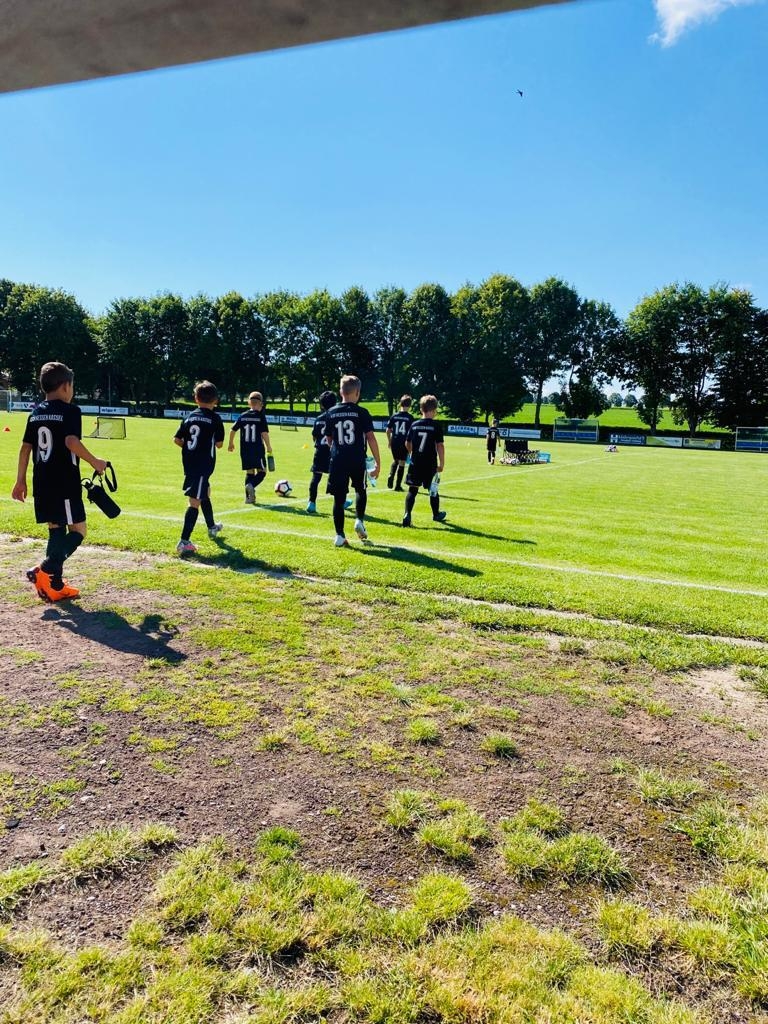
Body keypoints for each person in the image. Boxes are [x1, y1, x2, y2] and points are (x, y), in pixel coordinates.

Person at [11, 360, 108, 601]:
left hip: (42, 482)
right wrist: (95, 461)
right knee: (79, 530)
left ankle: (54, 586)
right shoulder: (71, 411)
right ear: (66, 386)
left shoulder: (35, 413)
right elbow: (71, 442)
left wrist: (20, 481)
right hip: (64, 482)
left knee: (56, 529)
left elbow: (25, 449)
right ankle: (43, 570)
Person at [324, 375, 381, 546]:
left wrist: (336, 451)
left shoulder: (331, 412)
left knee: (338, 498)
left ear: (341, 391)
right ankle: (359, 520)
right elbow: (371, 438)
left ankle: (339, 535)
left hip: (338, 460)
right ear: (357, 392)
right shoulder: (362, 412)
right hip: (357, 459)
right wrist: (377, 462)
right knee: (360, 490)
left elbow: (328, 438)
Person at [174, 381, 225, 555]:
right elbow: (219, 444)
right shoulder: (215, 418)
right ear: (215, 400)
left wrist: (191, 449)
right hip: (203, 465)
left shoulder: (189, 417)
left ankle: (212, 526)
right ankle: (184, 541)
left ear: (196, 398)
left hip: (190, 463)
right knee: (195, 501)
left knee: (205, 493)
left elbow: (177, 440)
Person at [402, 394, 446, 527]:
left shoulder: (414, 425)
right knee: (433, 489)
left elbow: (407, 442)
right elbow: (440, 445)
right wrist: (442, 463)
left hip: (416, 462)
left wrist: (412, 453)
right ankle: (436, 514)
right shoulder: (436, 426)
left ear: (421, 409)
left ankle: (407, 514)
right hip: (430, 463)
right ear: (434, 410)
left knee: (412, 490)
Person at [306, 389, 351, 514]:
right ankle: (343, 501)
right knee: (340, 478)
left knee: (316, 478)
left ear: (321, 405)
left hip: (320, 452)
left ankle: (311, 502)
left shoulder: (318, 419)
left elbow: (314, 436)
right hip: (333, 452)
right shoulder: (336, 417)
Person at [228, 390, 273, 504]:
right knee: (262, 472)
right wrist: (269, 446)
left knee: (249, 472)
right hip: (257, 449)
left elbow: (232, 430)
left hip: (245, 450)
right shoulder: (260, 416)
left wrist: (231, 443)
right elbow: (264, 433)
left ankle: (249, 498)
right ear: (261, 404)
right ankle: (251, 485)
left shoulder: (243, 416)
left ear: (249, 403)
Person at [386, 395, 414, 491]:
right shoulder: (410, 418)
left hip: (395, 441)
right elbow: (412, 433)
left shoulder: (394, 416)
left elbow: (388, 430)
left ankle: (391, 475)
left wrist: (389, 441)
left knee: (396, 460)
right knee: (402, 463)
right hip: (404, 442)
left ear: (400, 403)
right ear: (409, 405)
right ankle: (398, 486)